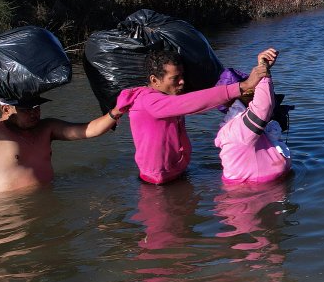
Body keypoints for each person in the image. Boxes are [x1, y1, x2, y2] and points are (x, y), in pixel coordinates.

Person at [0, 36, 122, 196]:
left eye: (36, 107)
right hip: (9, 208)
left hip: (49, 201)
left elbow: (89, 130)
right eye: (26, 109)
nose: (34, 113)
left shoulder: (46, 128)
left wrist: (115, 112)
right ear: (6, 109)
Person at [112, 47, 277, 184]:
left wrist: (262, 68)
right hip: (156, 183)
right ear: (154, 80)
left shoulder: (169, 97)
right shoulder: (149, 102)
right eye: (175, 78)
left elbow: (202, 100)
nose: (182, 82)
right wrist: (243, 86)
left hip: (178, 174)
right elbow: (193, 102)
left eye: (182, 76)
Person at [213, 53, 291, 185]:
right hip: (249, 193)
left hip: (263, 189)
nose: (256, 96)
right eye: (253, 93)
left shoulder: (246, 125)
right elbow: (263, 106)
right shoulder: (237, 129)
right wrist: (263, 69)